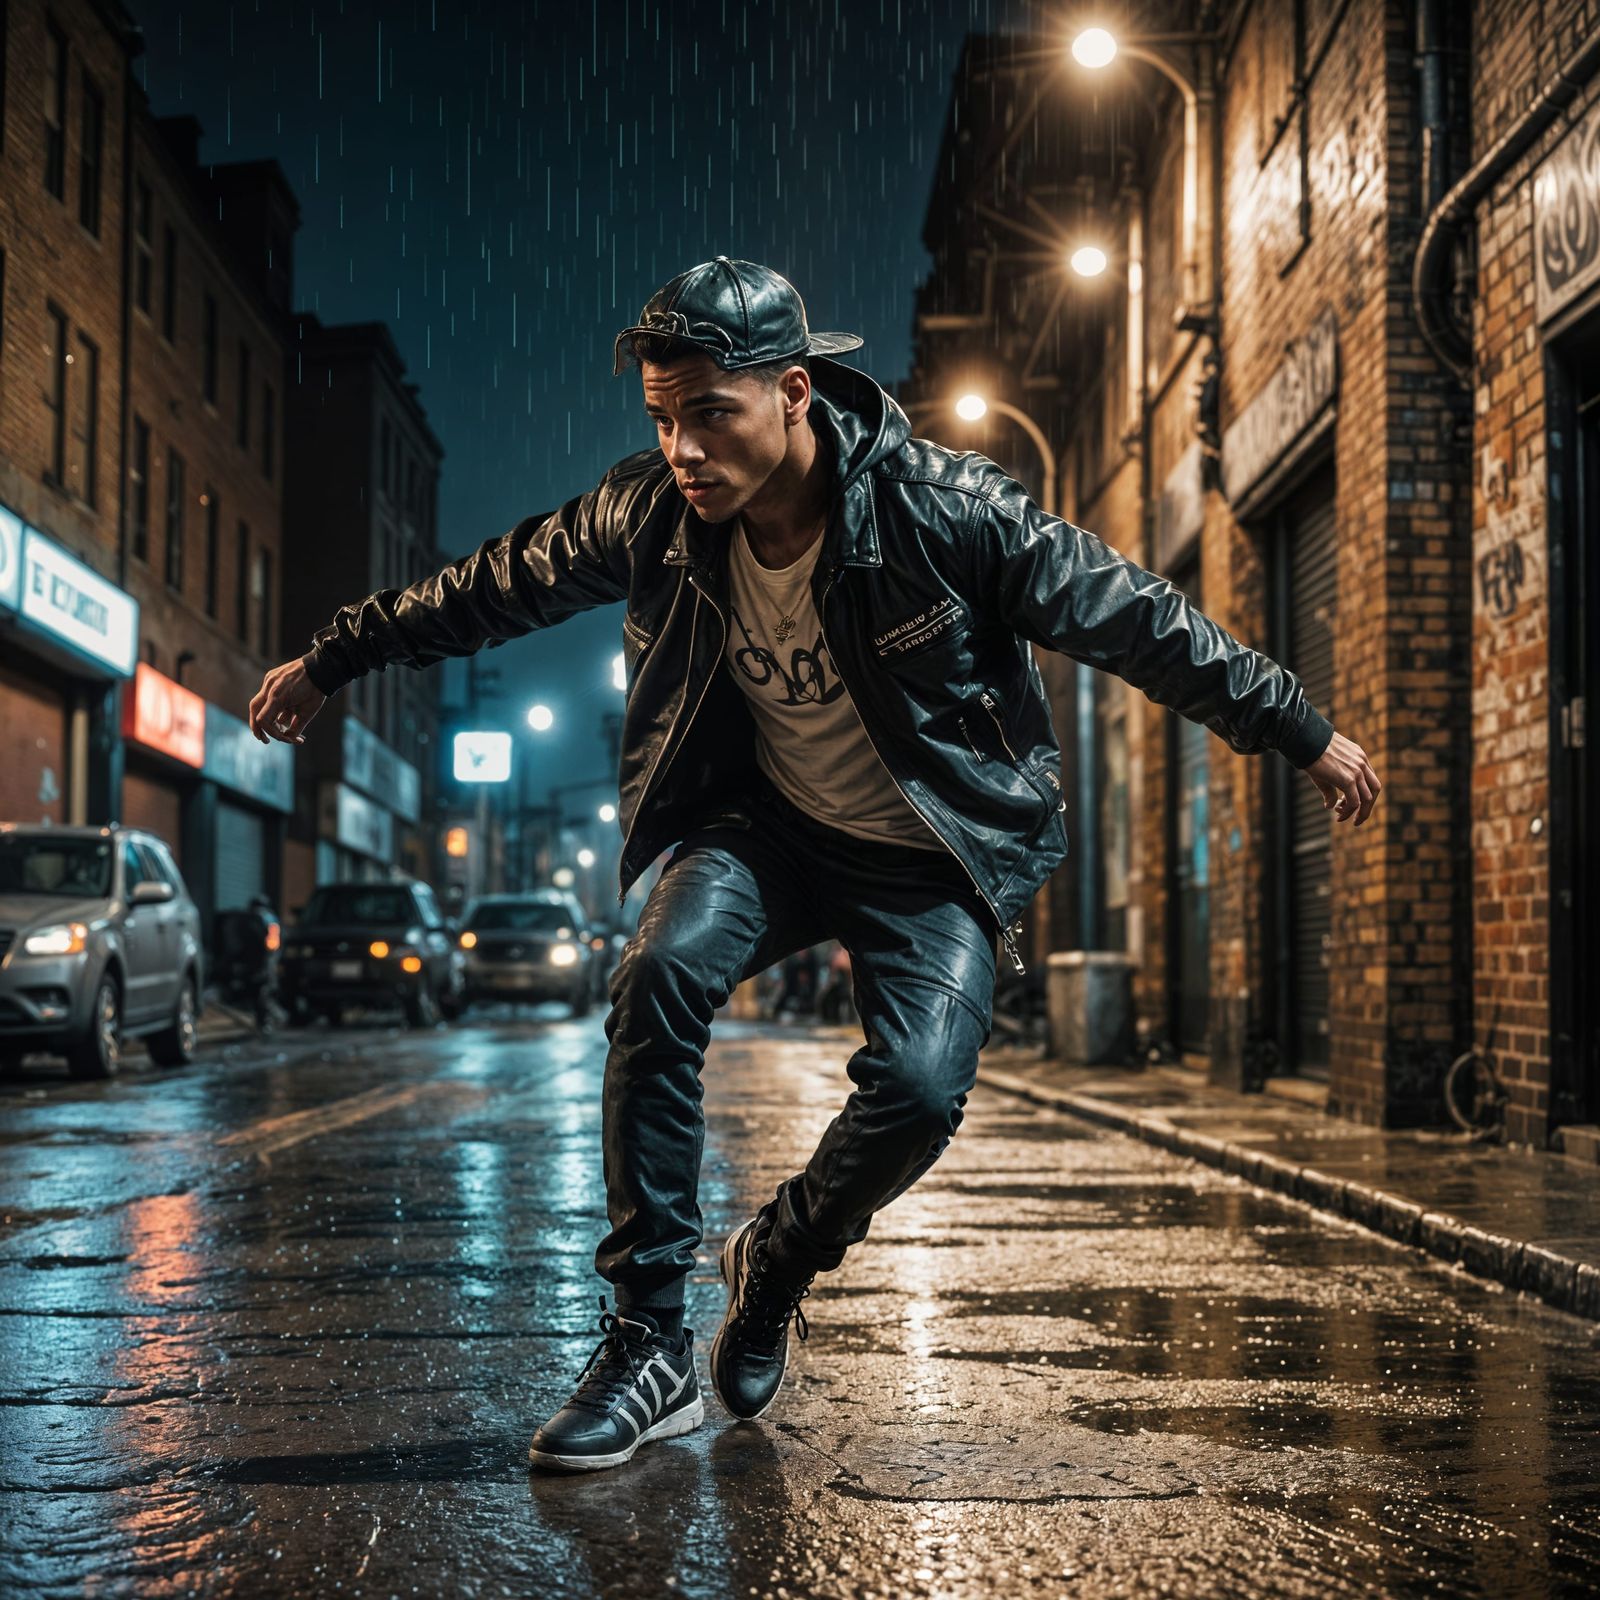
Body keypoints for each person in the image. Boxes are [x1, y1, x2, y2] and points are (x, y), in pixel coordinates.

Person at [248, 257, 1381, 1474]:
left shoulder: (946, 510)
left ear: (794, 392)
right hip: (765, 830)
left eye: (709, 413)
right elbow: (492, 584)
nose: (682, 446)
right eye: (661, 417)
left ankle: (775, 1261)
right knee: (658, 975)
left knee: (921, 1089)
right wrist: (334, 656)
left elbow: (1133, 613)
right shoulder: (650, 515)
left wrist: (1296, 726)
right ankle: (643, 1346)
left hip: (925, 852)